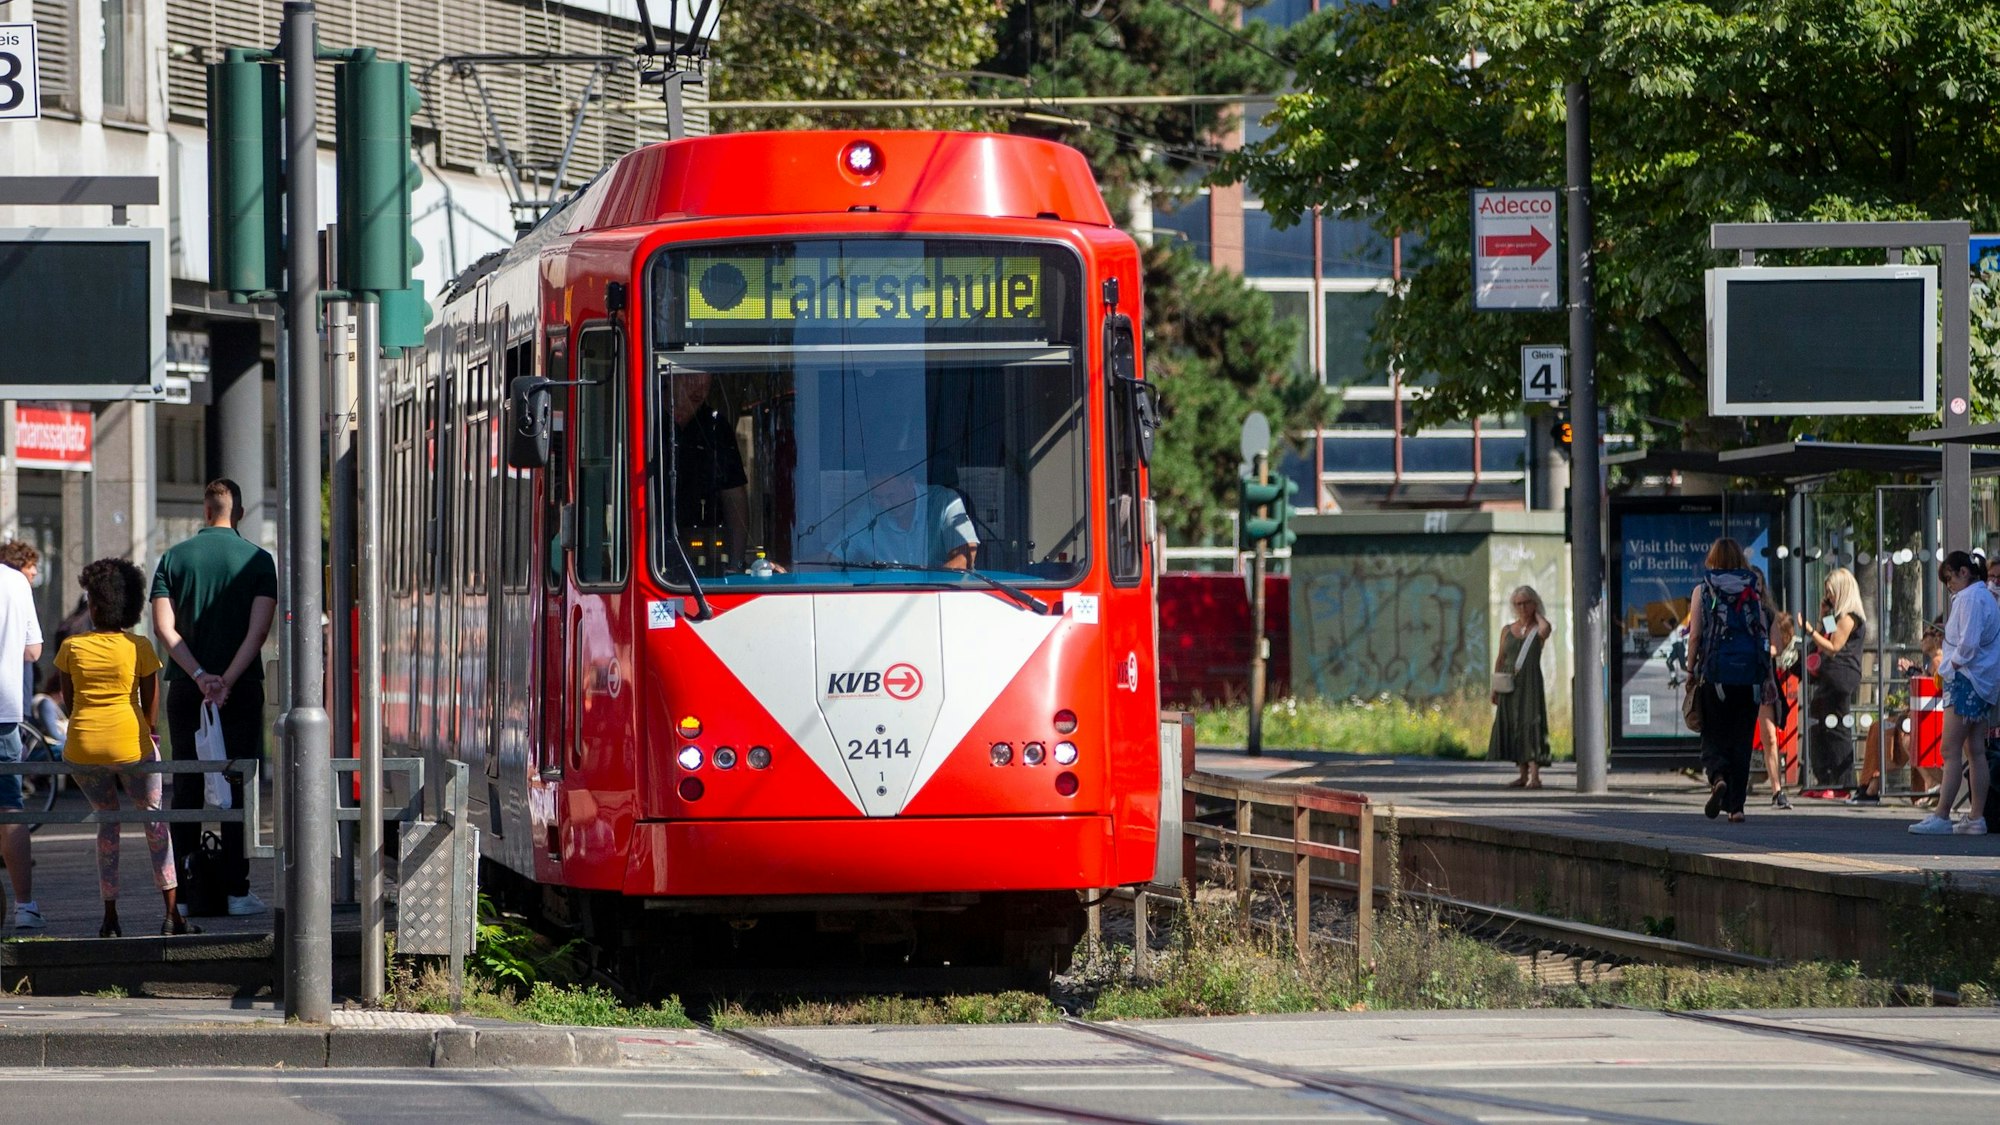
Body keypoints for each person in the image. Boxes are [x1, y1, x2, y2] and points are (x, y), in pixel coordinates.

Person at [151, 479, 277, 915]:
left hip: (188, 691)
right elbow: (258, 632)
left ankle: (184, 896)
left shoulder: (173, 558)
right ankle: (237, 892)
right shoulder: (259, 561)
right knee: (239, 786)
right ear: (238, 512)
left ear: (205, 511)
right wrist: (226, 680)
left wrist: (202, 676)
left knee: (186, 785)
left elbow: (164, 629)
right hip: (240, 692)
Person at [56, 559, 190, 938]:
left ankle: (110, 917)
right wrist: (148, 735)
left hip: (83, 749)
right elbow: (151, 707)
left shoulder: (71, 647)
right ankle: (172, 914)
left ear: (94, 605)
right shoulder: (139, 647)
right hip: (132, 746)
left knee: (107, 822)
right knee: (154, 822)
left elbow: (70, 702)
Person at [1912, 551, 2000, 835]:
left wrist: (1948, 667)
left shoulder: (1969, 598)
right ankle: (1976, 816)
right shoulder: (1985, 596)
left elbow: (1967, 644)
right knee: (1975, 750)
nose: (1949, 584)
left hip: (1965, 680)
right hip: (1983, 682)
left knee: (1949, 749)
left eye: (1950, 577)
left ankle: (1942, 814)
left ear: (1964, 572)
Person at [1686, 537, 1772, 824]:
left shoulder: (1703, 589)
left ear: (1712, 560)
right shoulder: (1752, 588)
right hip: (1749, 677)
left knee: (1713, 734)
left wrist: (1690, 670)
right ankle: (1737, 808)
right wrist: (1767, 676)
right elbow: (1762, 633)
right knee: (1741, 740)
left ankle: (1718, 777)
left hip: (1716, 675)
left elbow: (1695, 635)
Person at [829, 439, 979, 570]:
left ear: (909, 483)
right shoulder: (870, 511)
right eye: (878, 497)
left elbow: (965, 557)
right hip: (887, 592)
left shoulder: (943, 502)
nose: (886, 504)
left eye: (891, 496)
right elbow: (831, 557)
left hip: (937, 592)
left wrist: (930, 587)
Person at [668, 367, 752, 571]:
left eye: (706, 373)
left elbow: (734, 498)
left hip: (709, 555)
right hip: (653, 550)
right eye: (690, 374)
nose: (699, 384)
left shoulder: (716, 427)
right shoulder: (647, 419)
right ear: (670, 375)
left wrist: (736, 564)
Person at [0, 543, 41, 928]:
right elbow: (33, 651)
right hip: (4, 709)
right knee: (10, 805)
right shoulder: (15, 583)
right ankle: (25, 907)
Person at [1801, 567, 1867, 789]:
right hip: (1831, 675)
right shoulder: (1838, 617)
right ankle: (1826, 778)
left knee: (1836, 726)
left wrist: (1810, 631)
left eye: (1831, 592)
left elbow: (1833, 646)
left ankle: (1843, 781)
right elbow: (1827, 635)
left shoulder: (1849, 618)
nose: (1828, 597)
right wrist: (1824, 617)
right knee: (1820, 722)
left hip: (1840, 674)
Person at [1487, 585, 1553, 788]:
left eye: (1526, 603)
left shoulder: (1537, 630)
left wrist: (1538, 613)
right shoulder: (1507, 630)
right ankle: (1522, 775)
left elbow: (1546, 629)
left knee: (1530, 723)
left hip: (1530, 684)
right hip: (1509, 683)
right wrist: (1494, 687)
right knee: (1514, 724)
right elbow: (1500, 659)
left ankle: (1535, 776)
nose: (1522, 608)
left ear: (1534, 603)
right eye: (1518, 604)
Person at [1757, 606, 1797, 809]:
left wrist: (1761, 649)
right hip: (1739, 676)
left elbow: (1777, 647)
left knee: (1770, 737)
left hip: (1763, 678)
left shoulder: (1767, 613)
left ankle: (1777, 790)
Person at [0, 543, 39, 710]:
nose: (34, 572)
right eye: (29, 566)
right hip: (9, 699)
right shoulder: (19, 586)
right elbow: (32, 652)